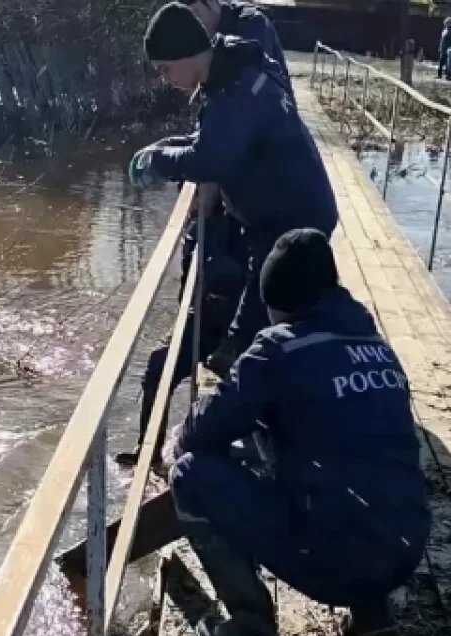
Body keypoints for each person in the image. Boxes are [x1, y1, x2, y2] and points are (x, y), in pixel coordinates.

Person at [168, 229, 432, 636]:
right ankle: (371, 611)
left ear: (279, 302)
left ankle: (252, 633)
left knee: (190, 472)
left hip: (332, 562)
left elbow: (200, 434)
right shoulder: (377, 347)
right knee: (351, 454)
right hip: (404, 554)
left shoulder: (277, 348)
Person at [130, 3, 338, 376]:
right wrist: (164, 147)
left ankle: (268, 389)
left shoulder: (235, 87)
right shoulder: (229, 70)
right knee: (258, 312)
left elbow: (211, 159)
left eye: (165, 69)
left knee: (277, 311)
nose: (166, 78)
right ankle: (239, 363)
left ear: (183, 54)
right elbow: (213, 140)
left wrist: (160, 162)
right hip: (277, 213)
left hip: (292, 216)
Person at [115, 213, 245, 470]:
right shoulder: (199, 225)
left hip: (234, 326)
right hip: (200, 317)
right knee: (158, 366)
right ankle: (149, 449)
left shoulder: (243, 223)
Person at [176, 0, 291, 91]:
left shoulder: (252, 23)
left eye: (196, 14)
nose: (194, 24)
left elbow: (255, 83)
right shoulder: (207, 35)